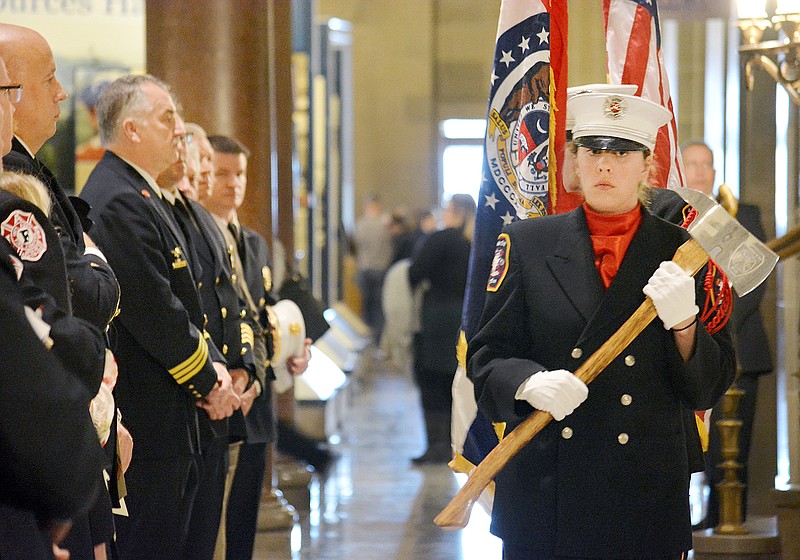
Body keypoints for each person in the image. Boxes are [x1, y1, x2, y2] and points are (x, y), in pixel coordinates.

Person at [467, 92, 736, 559]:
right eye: (592, 151)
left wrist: (686, 327)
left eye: (622, 153)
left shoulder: (685, 251)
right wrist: (528, 382)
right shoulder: (528, 244)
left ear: (647, 165)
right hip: (549, 486)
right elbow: (485, 358)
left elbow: (707, 389)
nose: (605, 167)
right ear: (574, 160)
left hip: (643, 490)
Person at [80, 74, 240, 559]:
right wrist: (210, 381)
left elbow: (190, 303)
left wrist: (217, 370)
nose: (179, 131)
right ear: (131, 130)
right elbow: (155, 311)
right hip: (151, 424)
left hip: (171, 416)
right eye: (166, 118)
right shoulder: (120, 197)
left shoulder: (141, 193)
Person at [203, 134, 311, 560]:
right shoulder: (198, 239)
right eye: (221, 174)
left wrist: (292, 348)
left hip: (257, 408)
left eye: (240, 174)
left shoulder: (254, 243)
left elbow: (263, 315)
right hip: (222, 398)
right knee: (213, 534)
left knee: (243, 525)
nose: (233, 184)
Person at [156, 117, 256, 560]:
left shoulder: (201, 224)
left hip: (225, 389)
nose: (197, 182)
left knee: (217, 529)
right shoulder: (167, 217)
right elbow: (177, 314)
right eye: (203, 174)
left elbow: (239, 308)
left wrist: (245, 371)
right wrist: (213, 379)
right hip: (194, 395)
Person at [0, 24, 119, 332]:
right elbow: (90, 299)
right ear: (11, 94)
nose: (61, 93)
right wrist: (92, 251)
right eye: (48, 79)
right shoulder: (14, 176)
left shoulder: (26, 165)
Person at [682, 140, 773, 528]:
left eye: (707, 165)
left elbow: (753, 282)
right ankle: (706, 512)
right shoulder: (670, 216)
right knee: (696, 440)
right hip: (686, 348)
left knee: (734, 444)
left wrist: (714, 327)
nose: (701, 172)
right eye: (693, 164)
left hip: (738, 348)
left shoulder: (739, 215)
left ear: (716, 172)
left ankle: (730, 518)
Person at [408, 194, 475, 464]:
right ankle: (455, 444)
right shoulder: (477, 241)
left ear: (455, 212)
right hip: (465, 317)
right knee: (456, 380)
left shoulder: (441, 240)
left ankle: (436, 446)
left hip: (438, 318)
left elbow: (415, 273)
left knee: (431, 380)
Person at [354, 194, 392, 346]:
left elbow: (356, 244)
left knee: (366, 305)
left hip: (364, 268)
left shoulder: (361, 224)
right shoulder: (385, 224)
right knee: (378, 306)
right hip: (380, 269)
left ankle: (367, 336)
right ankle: (378, 340)